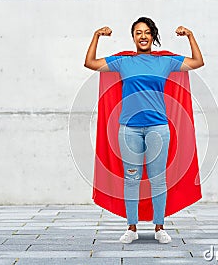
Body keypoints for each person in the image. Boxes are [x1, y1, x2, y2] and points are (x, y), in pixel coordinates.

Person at [84, 17, 204, 244]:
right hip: (129, 129)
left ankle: (159, 228)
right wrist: (96, 36)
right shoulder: (123, 62)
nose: (143, 36)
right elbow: (90, 63)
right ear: (133, 37)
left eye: (147, 32)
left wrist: (190, 35)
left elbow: (198, 61)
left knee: (158, 179)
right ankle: (132, 228)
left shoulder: (165, 62)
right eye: (138, 32)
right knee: (131, 180)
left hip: (158, 128)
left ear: (153, 36)